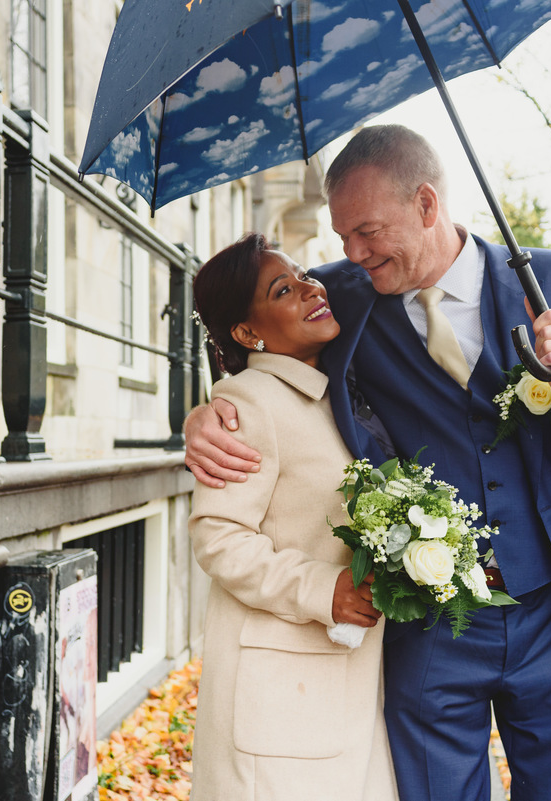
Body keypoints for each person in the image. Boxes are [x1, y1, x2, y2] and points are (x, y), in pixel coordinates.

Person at [184, 125, 551, 801]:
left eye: (366, 232)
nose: (350, 255)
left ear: (425, 204)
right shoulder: (342, 299)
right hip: (428, 631)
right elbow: (252, 340)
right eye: (340, 237)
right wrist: (208, 411)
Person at [186, 233, 398, 801]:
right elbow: (218, 537)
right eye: (284, 289)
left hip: (343, 687)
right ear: (248, 332)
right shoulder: (250, 401)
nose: (309, 289)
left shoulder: (332, 397)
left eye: (304, 274)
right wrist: (321, 589)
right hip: (279, 697)